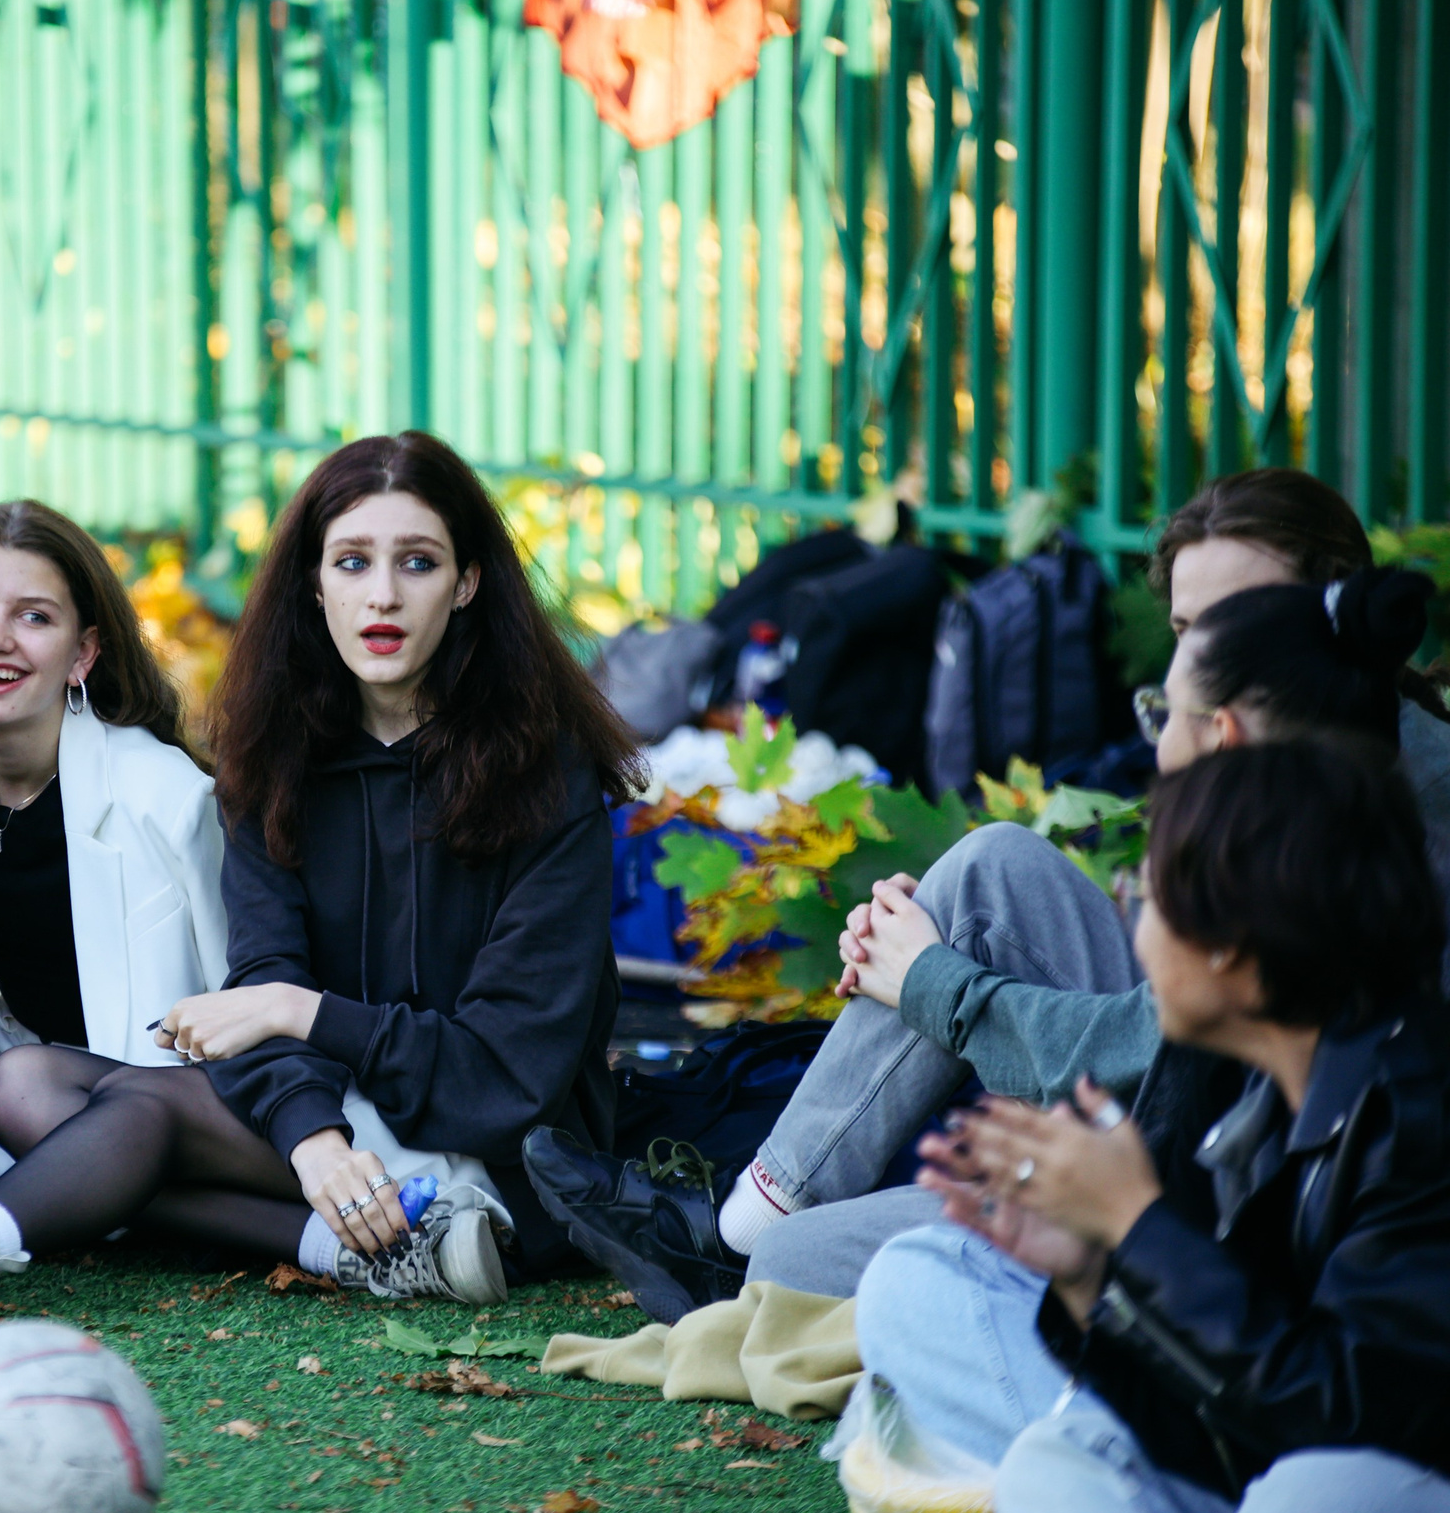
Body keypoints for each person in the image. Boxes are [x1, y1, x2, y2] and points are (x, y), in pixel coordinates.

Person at [0, 431, 645, 1328]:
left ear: (468, 583)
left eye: (419, 563)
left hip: (491, 1156)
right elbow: (256, 990)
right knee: (26, 1083)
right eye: (353, 562)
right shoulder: (277, 765)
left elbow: (504, 1076)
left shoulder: (545, 781)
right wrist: (311, 1130)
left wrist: (301, 1016)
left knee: (138, 1106)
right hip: (331, 1137)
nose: (383, 597)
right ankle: (361, 1250)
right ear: (314, 585)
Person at [526, 471, 1450, 1315]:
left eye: (1240, 617)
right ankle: (742, 1219)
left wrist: (929, 982)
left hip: (1221, 1194)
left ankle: (742, 1244)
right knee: (989, 865)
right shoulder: (1258, 744)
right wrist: (918, 946)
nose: (1201, 659)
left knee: (793, 1265)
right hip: (1192, 1107)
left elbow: (1160, 1054)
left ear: (1337, 610)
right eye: (1185, 630)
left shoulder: (1368, 799)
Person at [910, 742, 1450, 1513]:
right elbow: (1231, 1421)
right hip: (1305, 1491)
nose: (1137, 932)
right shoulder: (1248, 1076)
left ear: (1229, 946)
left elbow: (1343, 1417)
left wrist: (1138, 1228)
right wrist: (1088, 1277)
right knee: (1056, 1467)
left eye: (1151, 902)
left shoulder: (1421, 1108)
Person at [0, 498, 226, 1206]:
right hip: (18, 1046)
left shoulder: (165, 796)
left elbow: (235, 1002)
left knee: (15, 1115)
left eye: (33, 618)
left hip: (152, 1082)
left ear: (82, 654)